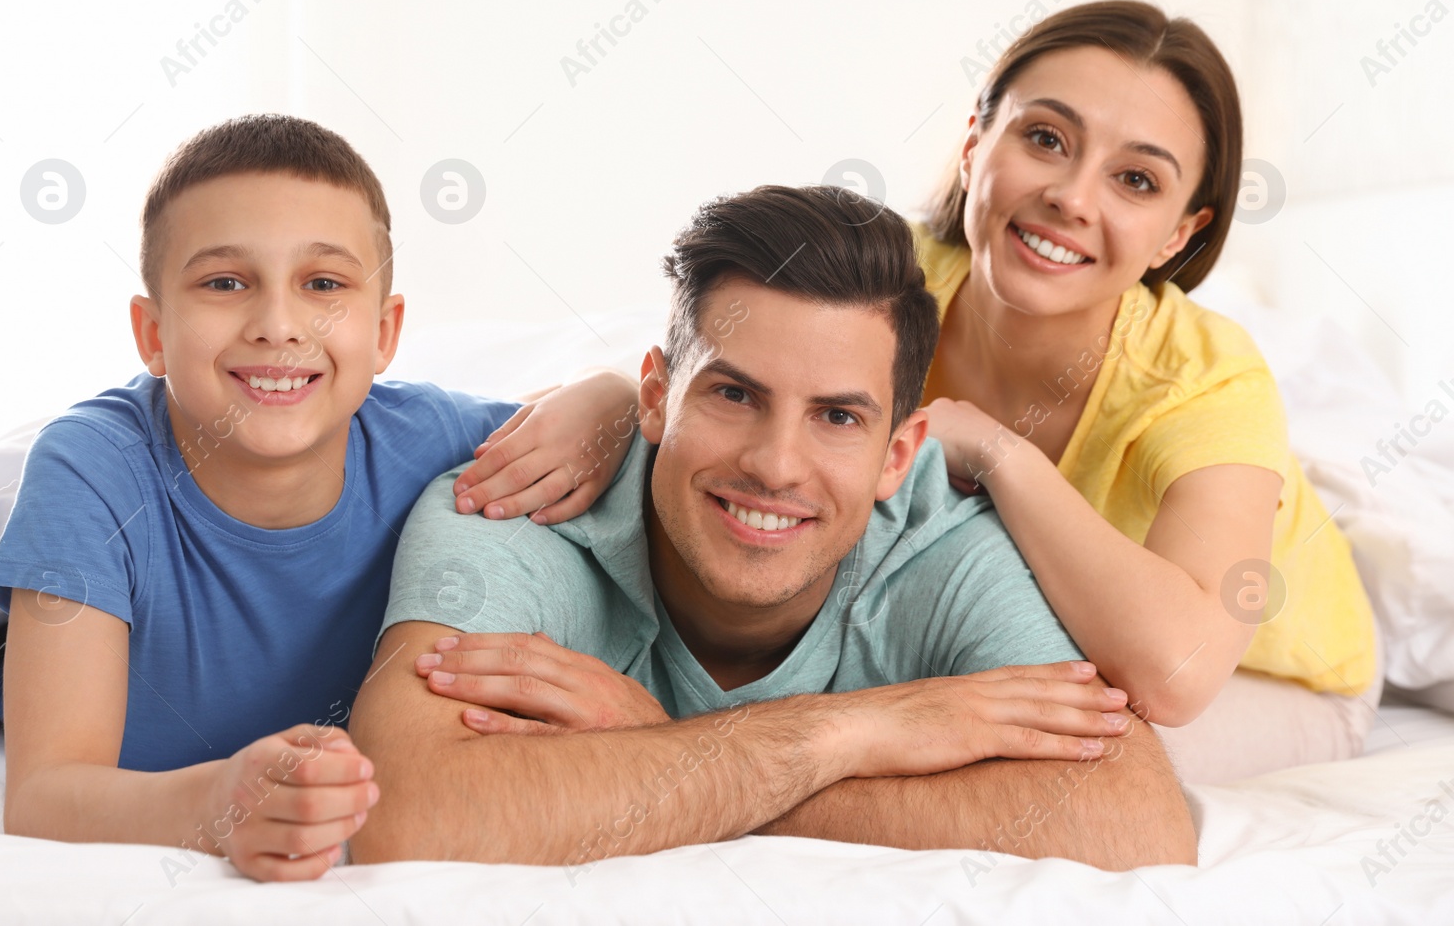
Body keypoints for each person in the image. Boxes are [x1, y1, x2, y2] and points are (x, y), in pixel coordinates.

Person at [348, 184, 1197, 870]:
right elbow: (407, 810)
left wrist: (676, 757)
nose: (776, 464)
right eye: (733, 393)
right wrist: (851, 732)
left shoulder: (941, 545)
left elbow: (1138, 824)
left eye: (836, 415)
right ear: (654, 395)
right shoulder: (516, 508)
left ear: (900, 455)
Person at [0, 114, 637, 881]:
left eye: (323, 284)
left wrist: (609, 395)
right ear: (152, 332)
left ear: (386, 331)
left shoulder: (430, 439)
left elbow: (552, 425)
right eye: (226, 282)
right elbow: (42, 797)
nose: (278, 325)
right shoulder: (93, 469)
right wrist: (217, 805)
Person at [910, 0, 1379, 782]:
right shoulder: (885, 281)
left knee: (1029, 757)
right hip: (1041, 631)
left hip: (1271, 678)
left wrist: (998, 450)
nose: (1073, 197)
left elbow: (1176, 673)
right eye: (1045, 137)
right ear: (973, 144)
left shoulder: (1208, 379)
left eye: (1135, 179)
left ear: (1177, 235)